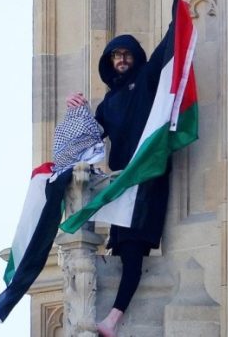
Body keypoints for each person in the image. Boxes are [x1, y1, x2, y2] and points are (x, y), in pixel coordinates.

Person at [66, 28, 172, 337]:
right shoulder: (108, 103)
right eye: (116, 55)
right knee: (121, 246)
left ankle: (112, 319)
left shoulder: (147, 83)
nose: (121, 60)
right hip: (123, 184)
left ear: (134, 57)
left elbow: (165, 53)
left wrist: (180, 9)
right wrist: (76, 111)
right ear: (109, 62)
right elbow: (86, 142)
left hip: (147, 178)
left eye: (126, 54)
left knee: (132, 248)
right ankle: (111, 319)